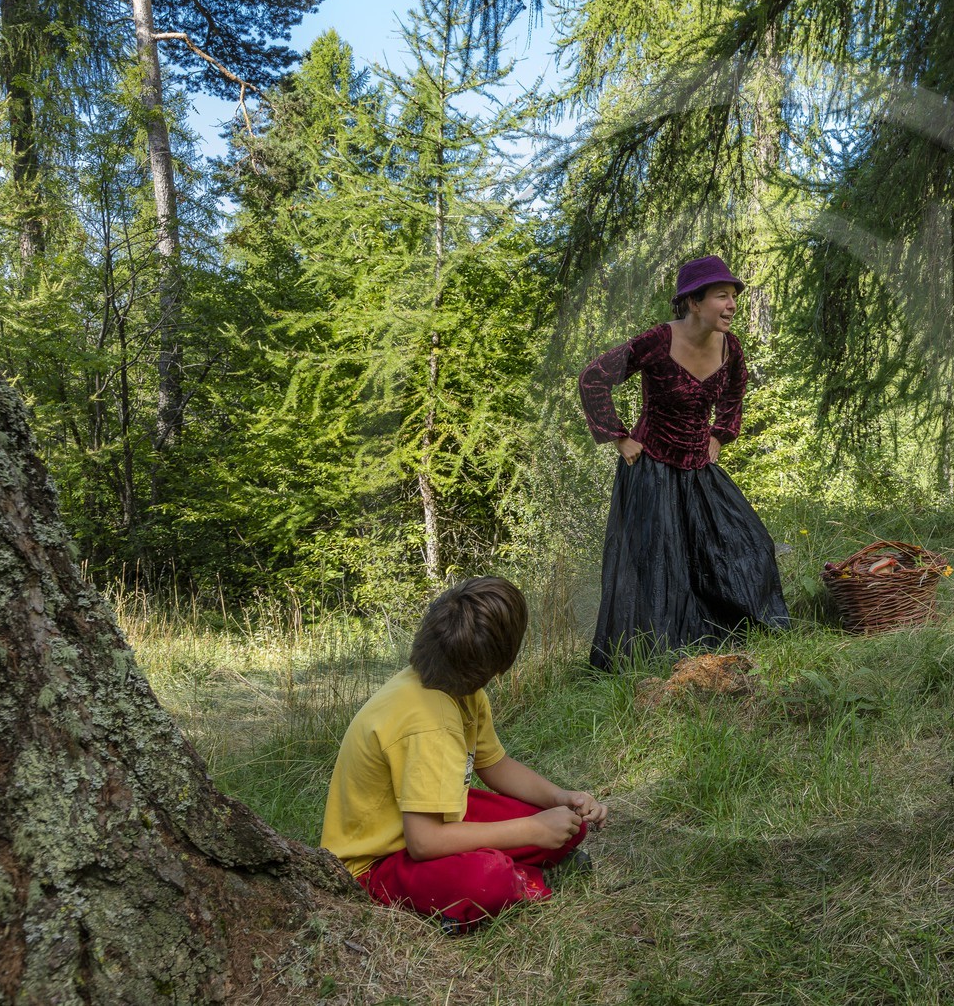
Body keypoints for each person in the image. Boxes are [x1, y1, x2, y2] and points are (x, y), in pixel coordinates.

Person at [321, 576, 608, 931]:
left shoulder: (456, 684)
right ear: (500, 661)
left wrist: (561, 797)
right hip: (380, 860)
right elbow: (423, 842)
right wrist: (530, 829)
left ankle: (517, 866)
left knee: (567, 823)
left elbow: (495, 764)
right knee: (488, 878)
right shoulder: (429, 723)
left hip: (432, 818)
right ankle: (514, 879)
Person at [578, 254, 789, 669]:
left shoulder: (731, 346)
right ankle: (650, 659)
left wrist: (719, 433)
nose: (731, 305)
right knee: (659, 565)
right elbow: (593, 377)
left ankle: (732, 633)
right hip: (651, 468)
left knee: (750, 544)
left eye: (733, 297)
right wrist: (619, 436)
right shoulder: (657, 341)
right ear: (694, 302)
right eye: (721, 296)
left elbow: (735, 390)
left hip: (698, 468)